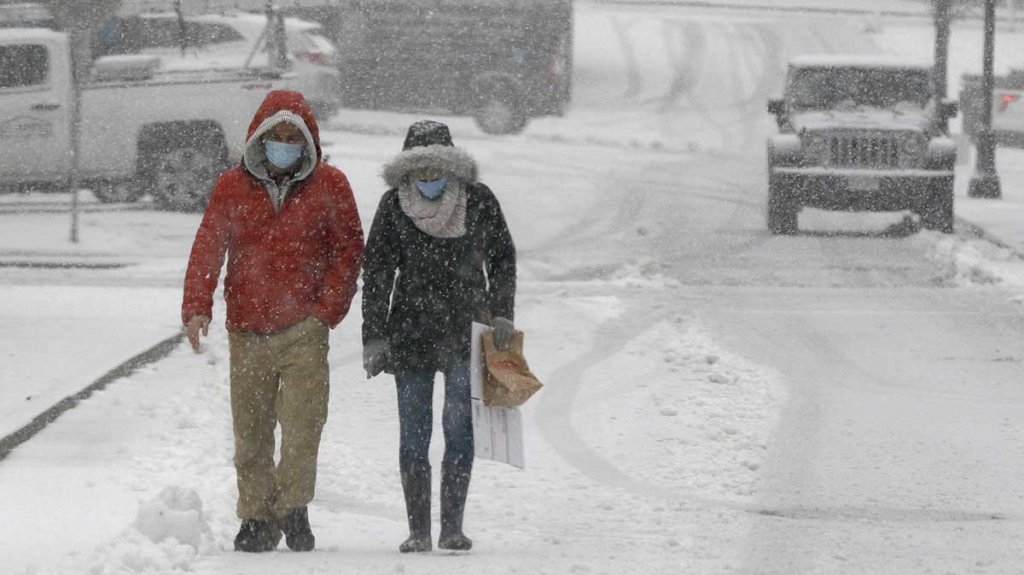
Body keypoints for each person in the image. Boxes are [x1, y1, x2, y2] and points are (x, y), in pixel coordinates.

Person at [181, 90, 364, 553]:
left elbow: (349, 250)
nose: (285, 143)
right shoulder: (231, 186)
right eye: (276, 135)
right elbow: (209, 245)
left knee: (303, 425)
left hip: (303, 328)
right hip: (247, 328)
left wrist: (326, 310)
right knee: (252, 431)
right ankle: (256, 516)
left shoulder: (331, 186)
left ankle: (293, 505)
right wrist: (197, 305)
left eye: (293, 137)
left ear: (307, 142)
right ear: (260, 139)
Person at [361, 120, 517, 553]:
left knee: (459, 428)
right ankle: (417, 531)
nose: (429, 178)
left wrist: (503, 314)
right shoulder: (394, 206)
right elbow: (376, 271)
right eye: (420, 170)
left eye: (437, 169)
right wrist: (374, 337)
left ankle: (452, 527)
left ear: (453, 167)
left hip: (467, 332)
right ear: (406, 172)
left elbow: (502, 256)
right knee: (413, 433)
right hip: (409, 332)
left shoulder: (479, 201)